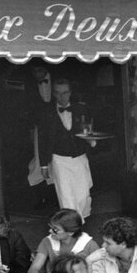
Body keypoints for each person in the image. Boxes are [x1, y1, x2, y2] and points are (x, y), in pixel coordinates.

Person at [36, 79, 94, 218]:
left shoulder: (81, 109)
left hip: (80, 158)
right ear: (54, 94)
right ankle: (72, 228)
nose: (62, 97)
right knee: (66, 197)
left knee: (83, 195)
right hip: (59, 159)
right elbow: (42, 140)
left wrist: (92, 140)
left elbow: (91, 129)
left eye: (65, 92)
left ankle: (80, 221)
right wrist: (43, 165)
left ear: (70, 93)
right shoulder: (47, 113)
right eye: (58, 93)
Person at [27, 209, 99, 273]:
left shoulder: (89, 245)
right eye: (50, 227)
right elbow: (32, 271)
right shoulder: (47, 241)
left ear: (70, 232)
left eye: (55, 229)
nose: (50, 231)